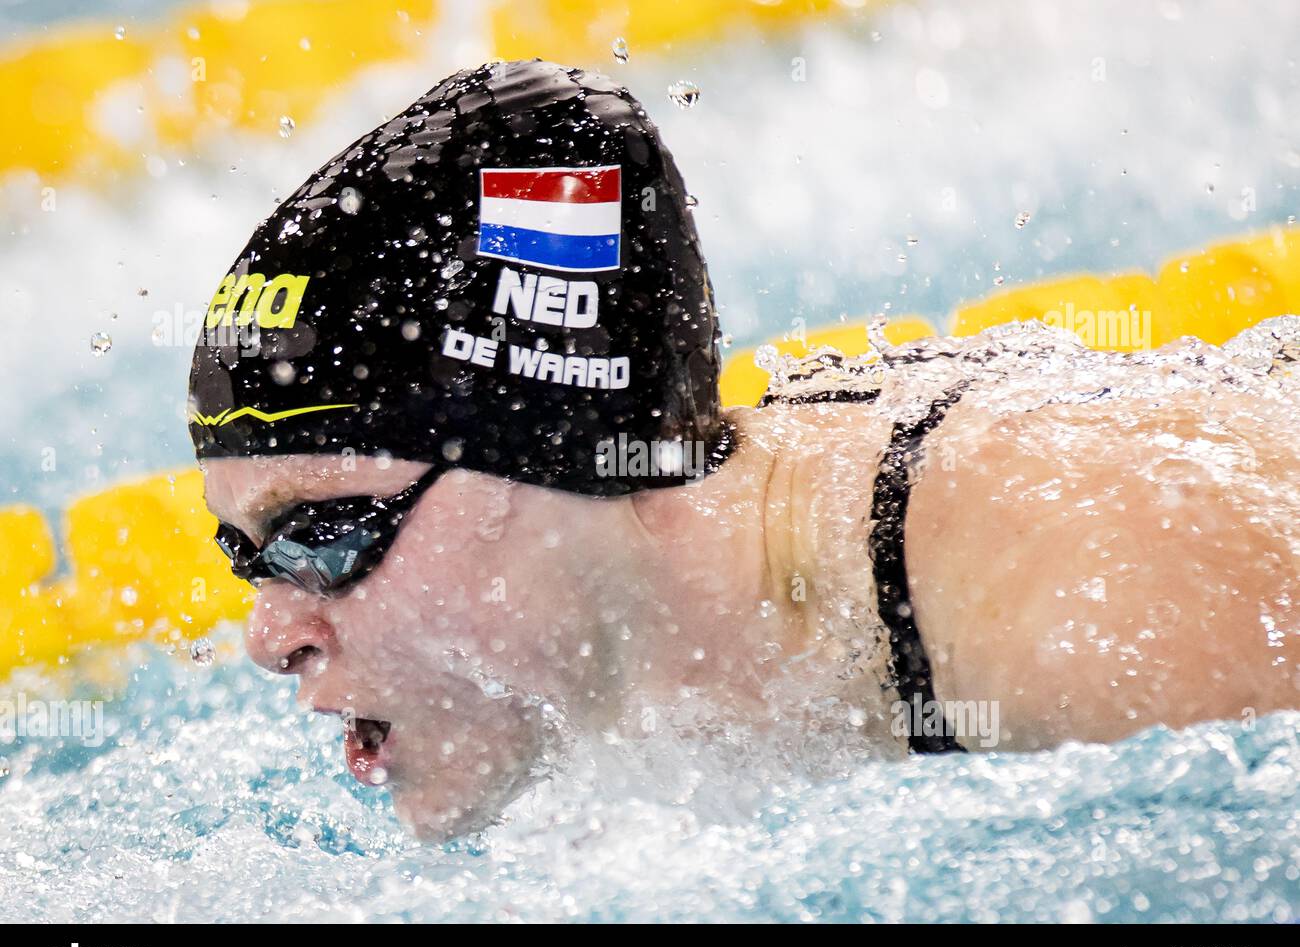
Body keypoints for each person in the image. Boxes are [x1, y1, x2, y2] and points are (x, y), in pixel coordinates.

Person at [191, 60, 1300, 841]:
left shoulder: (1107, 611)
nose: (268, 633)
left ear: (558, 455)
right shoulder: (645, 686)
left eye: (324, 532)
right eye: (248, 554)